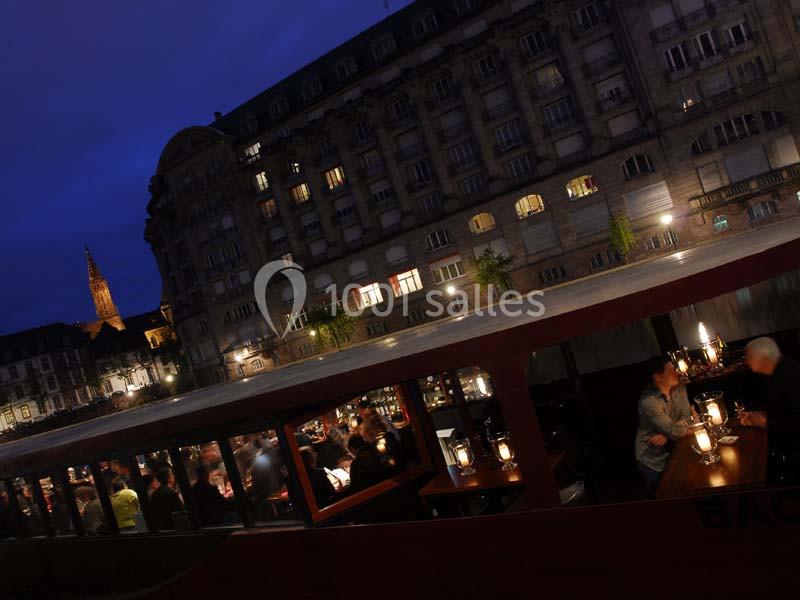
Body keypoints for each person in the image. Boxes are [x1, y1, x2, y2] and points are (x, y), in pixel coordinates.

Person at [741, 337, 800, 484]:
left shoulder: (791, 375)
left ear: (763, 358)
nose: (746, 362)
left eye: (748, 357)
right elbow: (784, 408)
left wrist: (767, 423)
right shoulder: (777, 372)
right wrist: (759, 416)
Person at [634, 356, 691, 495]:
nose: (676, 372)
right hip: (652, 458)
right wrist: (671, 433)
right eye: (671, 371)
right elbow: (675, 432)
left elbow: (687, 418)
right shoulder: (649, 402)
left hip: (673, 448)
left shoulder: (679, 386)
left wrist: (667, 435)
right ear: (657, 377)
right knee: (663, 495)